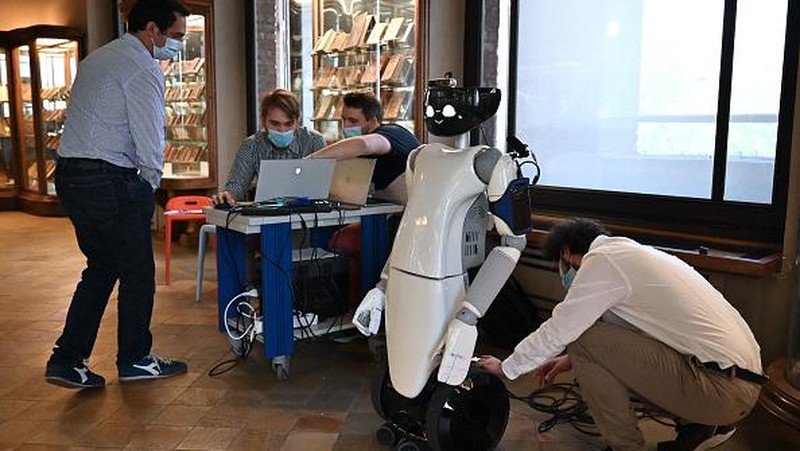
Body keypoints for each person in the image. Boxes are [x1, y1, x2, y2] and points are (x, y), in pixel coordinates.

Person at [477, 218, 765, 451]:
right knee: (584, 342)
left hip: (721, 391)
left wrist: (507, 368)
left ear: (566, 253)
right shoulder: (630, 254)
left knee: (582, 336)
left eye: (561, 266)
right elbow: (633, 337)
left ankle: (627, 446)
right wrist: (568, 360)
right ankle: (698, 425)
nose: (564, 275)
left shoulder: (602, 262)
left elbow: (562, 327)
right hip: (739, 384)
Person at [46, 0, 191, 389]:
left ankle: (67, 359)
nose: (178, 45)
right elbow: (149, 136)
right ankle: (135, 359)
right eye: (175, 36)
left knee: (102, 266)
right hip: (110, 179)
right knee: (138, 271)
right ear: (151, 29)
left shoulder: (98, 57)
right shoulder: (143, 68)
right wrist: (151, 184)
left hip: (72, 175)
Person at [212, 89, 326, 205]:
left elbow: (326, 184)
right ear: (263, 121)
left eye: (288, 124)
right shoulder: (251, 145)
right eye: (275, 124)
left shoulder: (313, 141)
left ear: (298, 121)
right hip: (268, 214)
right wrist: (228, 195)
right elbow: (237, 185)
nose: (282, 130)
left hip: (310, 215)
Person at [306, 91, 420, 204]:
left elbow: (364, 144)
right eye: (344, 119)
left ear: (372, 121)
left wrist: (309, 161)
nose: (345, 126)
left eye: (353, 121)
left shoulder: (392, 133)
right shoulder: (359, 153)